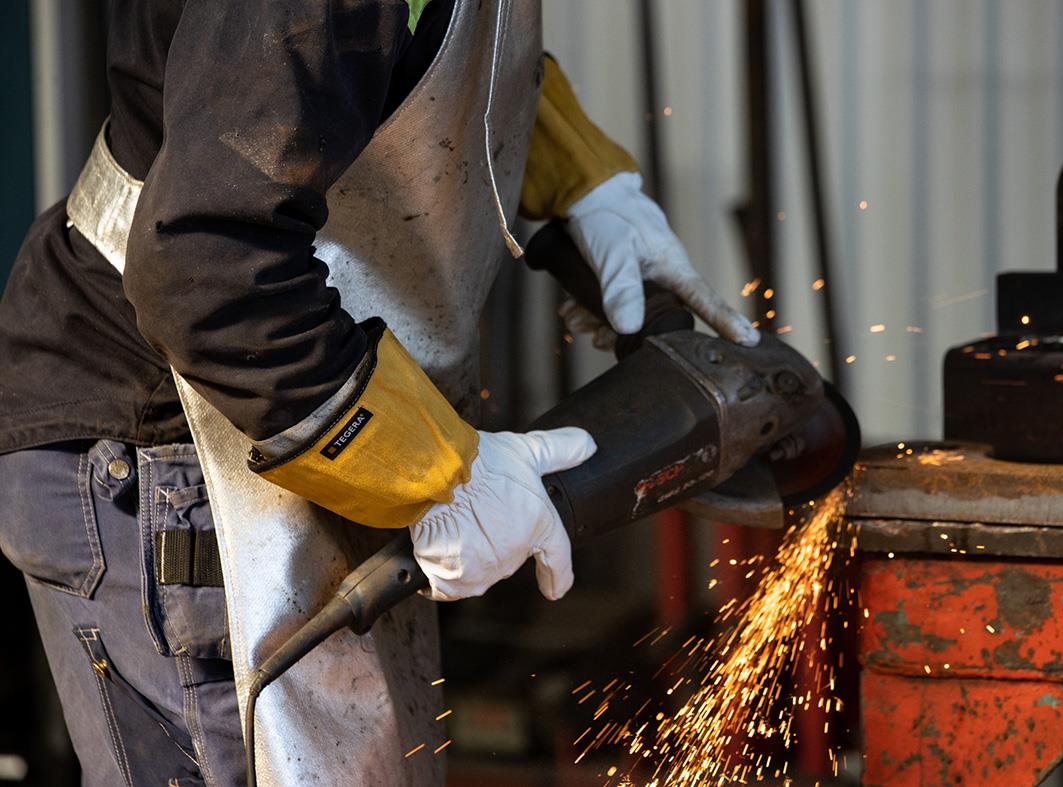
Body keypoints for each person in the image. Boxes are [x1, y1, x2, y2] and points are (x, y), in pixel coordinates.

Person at [0, 1, 758, 783]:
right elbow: (208, 270)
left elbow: (401, 60)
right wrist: (440, 479)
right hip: (178, 434)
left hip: (292, 395)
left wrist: (585, 182)